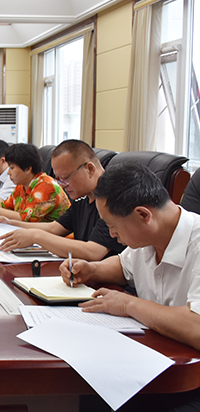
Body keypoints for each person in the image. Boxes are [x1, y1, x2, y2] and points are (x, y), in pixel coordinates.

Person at [63, 163, 200, 412]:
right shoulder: (148, 237)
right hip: (154, 365)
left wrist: (128, 304)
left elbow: (196, 327)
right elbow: (123, 265)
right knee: (88, 392)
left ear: (143, 215)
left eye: (112, 225)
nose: (111, 234)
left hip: (190, 381)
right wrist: (91, 269)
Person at [0, 140, 125, 260]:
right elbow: (54, 228)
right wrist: (10, 222)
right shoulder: (82, 198)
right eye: (58, 179)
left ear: (90, 169)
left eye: (66, 177)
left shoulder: (113, 198)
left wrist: (36, 236)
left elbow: (94, 252)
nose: (62, 185)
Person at [0, 143, 70, 222]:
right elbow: (5, 206)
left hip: (54, 234)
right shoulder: (21, 186)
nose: (8, 172)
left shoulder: (46, 186)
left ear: (28, 169)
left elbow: (26, 219)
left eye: (12, 168)